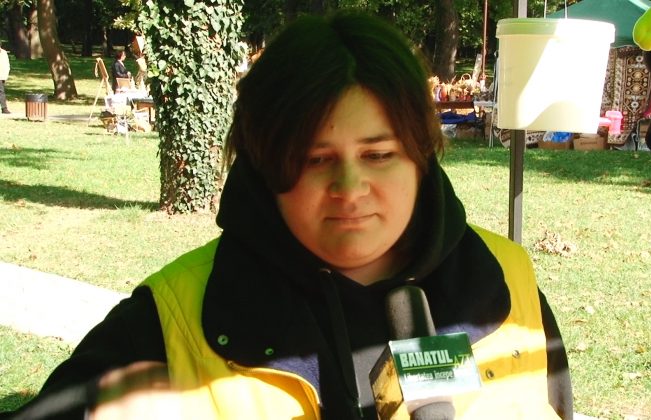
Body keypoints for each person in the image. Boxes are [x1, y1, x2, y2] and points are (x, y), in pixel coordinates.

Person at [4, 11, 572, 419]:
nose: (350, 188)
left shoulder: (507, 283)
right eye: (314, 160)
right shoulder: (171, 322)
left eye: (378, 154)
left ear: (421, 156)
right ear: (264, 166)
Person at [0, 42, 10, 114]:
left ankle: (4, 108)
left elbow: (6, 64)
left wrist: (5, 75)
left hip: (1, 75)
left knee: (1, 92)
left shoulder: (4, 53)